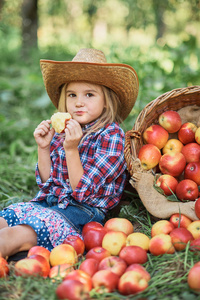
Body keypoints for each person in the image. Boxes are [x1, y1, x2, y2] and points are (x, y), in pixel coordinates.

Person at [0, 48, 139, 258]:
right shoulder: (64, 130)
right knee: (7, 218)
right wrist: (43, 148)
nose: (78, 102)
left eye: (89, 94)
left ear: (106, 101)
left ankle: (15, 244)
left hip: (84, 213)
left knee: (13, 236)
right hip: (52, 202)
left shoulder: (112, 137)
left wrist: (71, 149)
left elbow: (81, 192)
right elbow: (47, 183)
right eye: (71, 95)